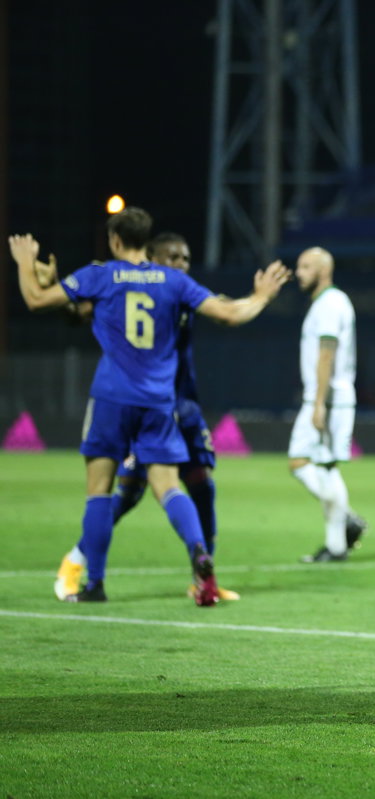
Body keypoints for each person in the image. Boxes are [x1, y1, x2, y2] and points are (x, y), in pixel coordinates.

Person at [10, 208, 289, 605]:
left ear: (115, 240)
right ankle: (199, 553)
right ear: (148, 242)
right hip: (160, 402)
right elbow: (229, 313)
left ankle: (96, 583)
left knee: (100, 493)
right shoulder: (175, 283)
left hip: (112, 398)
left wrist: (24, 264)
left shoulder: (100, 275)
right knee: (170, 488)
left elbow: (38, 301)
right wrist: (262, 295)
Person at [53, 232, 240, 602]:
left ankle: (205, 578)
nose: (181, 264)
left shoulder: (184, 291)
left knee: (201, 485)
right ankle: (75, 560)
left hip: (183, 407)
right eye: (173, 257)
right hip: (150, 405)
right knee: (129, 491)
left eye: (186, 258)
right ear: (152, 259)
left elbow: (223, 308)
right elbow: (81, 313)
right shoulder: (151, 290)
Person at [288, 247, 367, 563]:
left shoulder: (331, 304)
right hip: (331, 399)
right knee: (326, 467)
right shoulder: (328, 303)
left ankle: (346, 517)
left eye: (305, 266)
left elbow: (326, 354)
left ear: (323, 270)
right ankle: (336, 546)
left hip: (328, 399)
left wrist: (319, 403)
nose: (298, 272)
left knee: (299, 461)